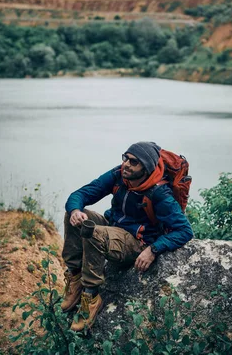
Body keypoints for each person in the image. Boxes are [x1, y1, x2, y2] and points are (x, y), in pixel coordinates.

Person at [61, 141, 194, 331]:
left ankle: (91, 295)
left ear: (146, 168)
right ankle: (75, 276)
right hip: (112, 227)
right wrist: (75, 210)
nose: (126, 164)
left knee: (92, 231)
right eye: (126, 158)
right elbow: (81, 194)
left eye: (134, 162)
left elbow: (184, 231)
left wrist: (153, 249)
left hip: (136, 241)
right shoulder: (119, 175)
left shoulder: (159, 194)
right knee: (72, 216)